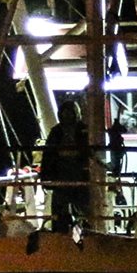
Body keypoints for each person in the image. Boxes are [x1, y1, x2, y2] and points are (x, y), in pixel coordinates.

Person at [41, 98, 90, 232]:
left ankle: (85, 232)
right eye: (65, 113)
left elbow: (91, 152)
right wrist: (45, 177)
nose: (67, 116)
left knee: (83, 211)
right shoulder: (56, 132)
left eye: (70, 113)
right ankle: (60, 234)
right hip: (61, 177)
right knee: (59, 213)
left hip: (80, 177)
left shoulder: (84, 131)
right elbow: (48, 155)